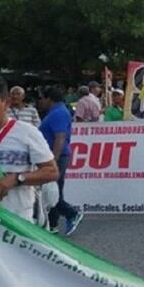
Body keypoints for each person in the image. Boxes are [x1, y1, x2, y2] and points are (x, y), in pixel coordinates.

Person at [0, 77, 59, 221]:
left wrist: (16, 179)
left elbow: (51, 172)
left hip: (16, 219)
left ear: (6, 103)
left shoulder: (26, 132)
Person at [38, 86, 84, 236]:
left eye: (42, 98)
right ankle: (53, 225)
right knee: (52, 190)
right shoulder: (57, 112)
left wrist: (52, 160)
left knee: (52, 192)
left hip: (56, 156)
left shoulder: (58, 113)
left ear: (49, 99)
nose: (40, 102)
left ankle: (71, 213)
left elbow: (60, 138)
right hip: (53, 156)